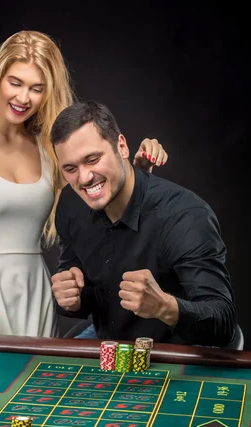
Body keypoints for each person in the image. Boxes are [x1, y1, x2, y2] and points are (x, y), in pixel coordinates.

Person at [0, 31, 167, 339]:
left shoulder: (48, 150)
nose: (23, 98)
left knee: (29, 387)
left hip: (35, 295)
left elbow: (99, 203)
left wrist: (136, 171)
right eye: (15, 83)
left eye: (36, 88)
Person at [50, 100, 236, 347]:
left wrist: (164, 307)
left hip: (174, 352)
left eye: (93, 159)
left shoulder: (185, 215)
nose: (84, 178)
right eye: (71, 168)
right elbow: (84, 291)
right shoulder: (71, 204)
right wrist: (71, 299)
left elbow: (222, 322)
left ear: (122, 147)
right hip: (108, 343)